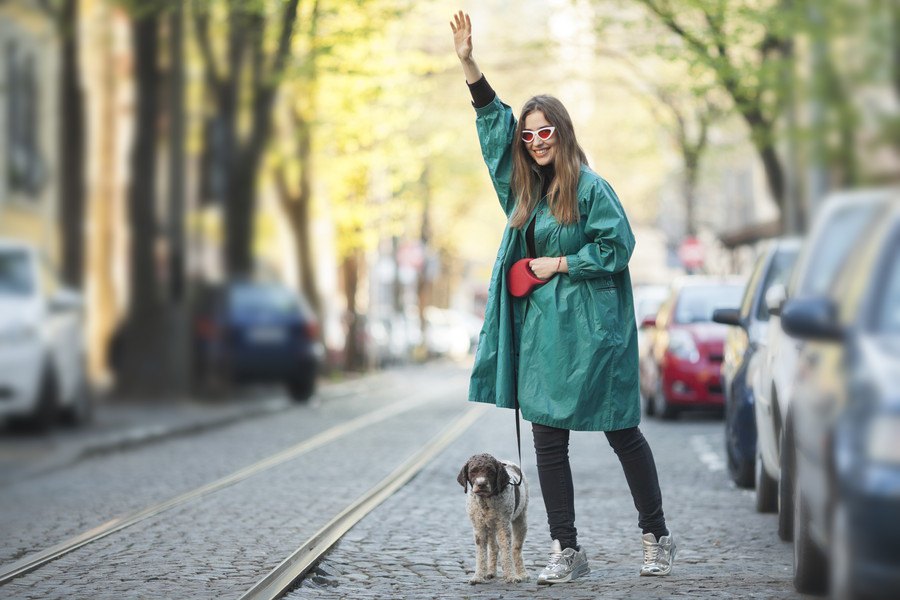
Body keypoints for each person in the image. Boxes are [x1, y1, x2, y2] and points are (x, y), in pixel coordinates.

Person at [450, 11, 676, 585]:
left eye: (546, 131)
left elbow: (618, 245)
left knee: (621, 430)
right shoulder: (521, 189)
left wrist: (559, 262)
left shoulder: (592, 187)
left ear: (564, 133)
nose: (535, 141)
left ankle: (657, 537)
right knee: (549, 442)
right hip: (543, 337)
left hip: (594, 334)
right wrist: (471, 66)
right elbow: (493, 130)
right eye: (529, 135)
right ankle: (566, 549)